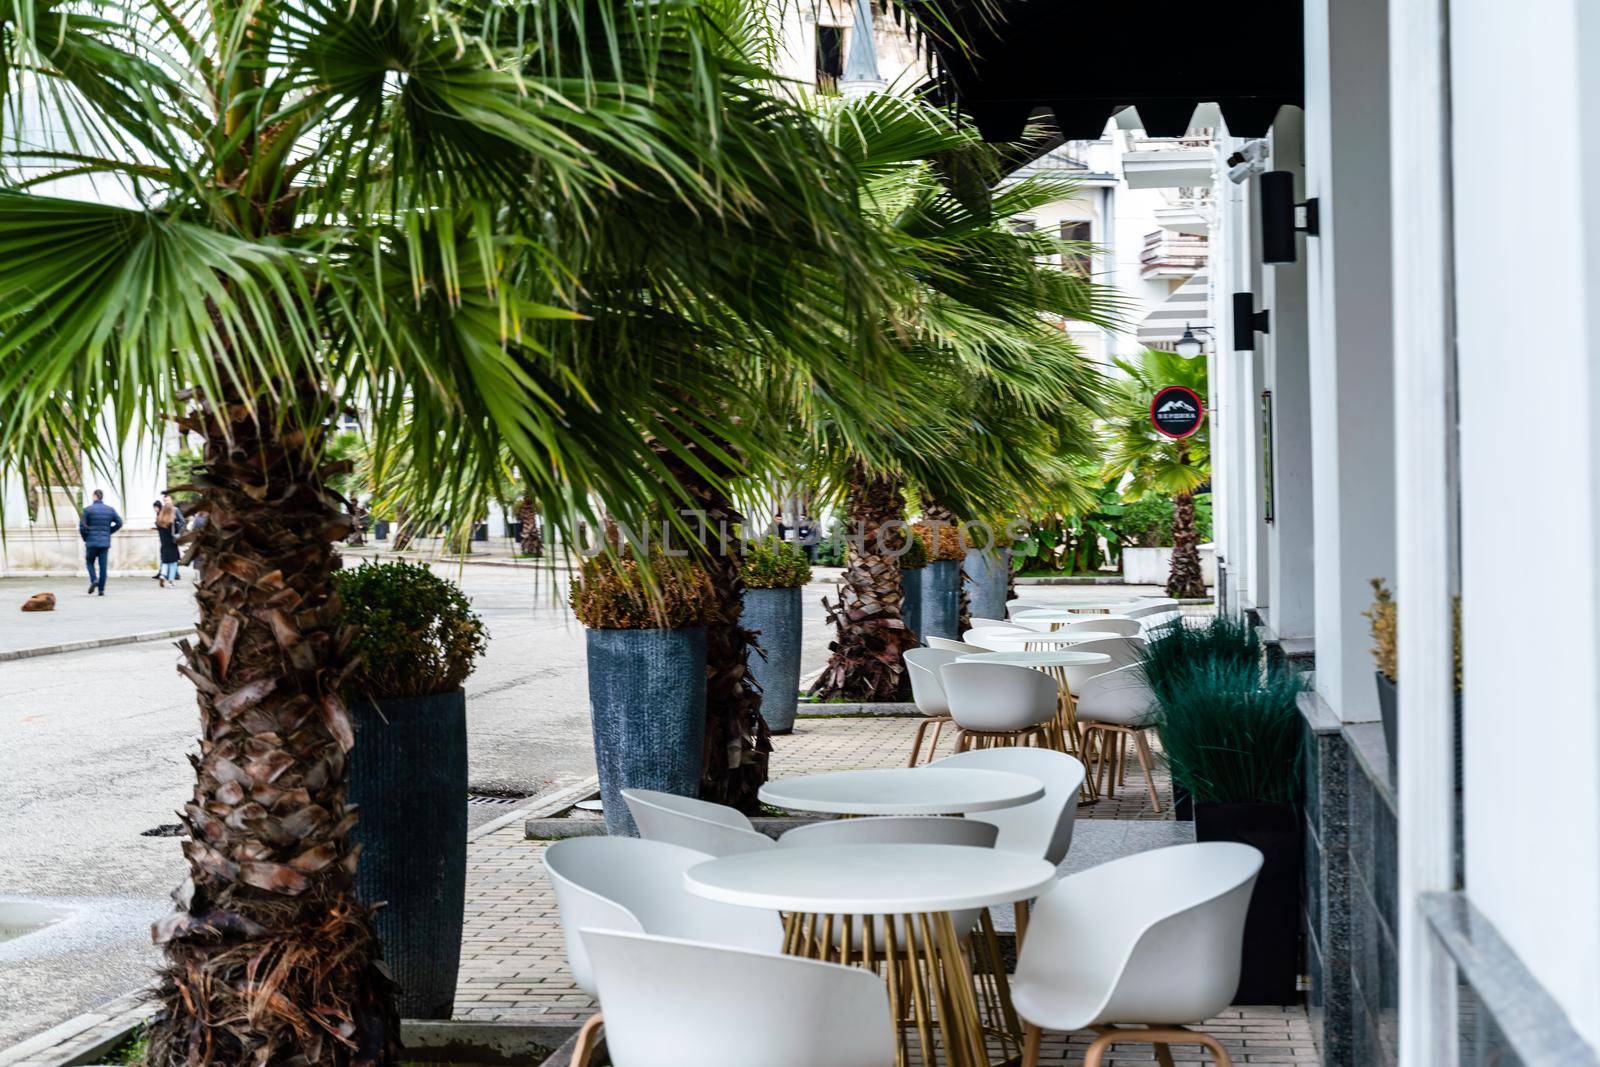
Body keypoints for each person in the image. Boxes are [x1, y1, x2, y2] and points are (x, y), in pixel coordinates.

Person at [78, 489, 123, 596]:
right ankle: (101, 590)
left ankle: (94, 580)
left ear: (94, 496)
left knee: (89, 562)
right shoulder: (110, 510)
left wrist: (86, 537)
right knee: (103, 567)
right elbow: (119, 522)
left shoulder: (88, 510)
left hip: (91, 542)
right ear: (101, 497)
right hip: (104, 543)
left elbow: (82, 527)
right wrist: (109, 531)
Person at [155, 502, 181, 587]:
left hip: (163, 544)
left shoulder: (159, 521)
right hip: (172, 544)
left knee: (165, 561)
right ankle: (171, 581)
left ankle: (162, 574)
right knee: (173, 563)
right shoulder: (172, 521)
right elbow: (176, 532)